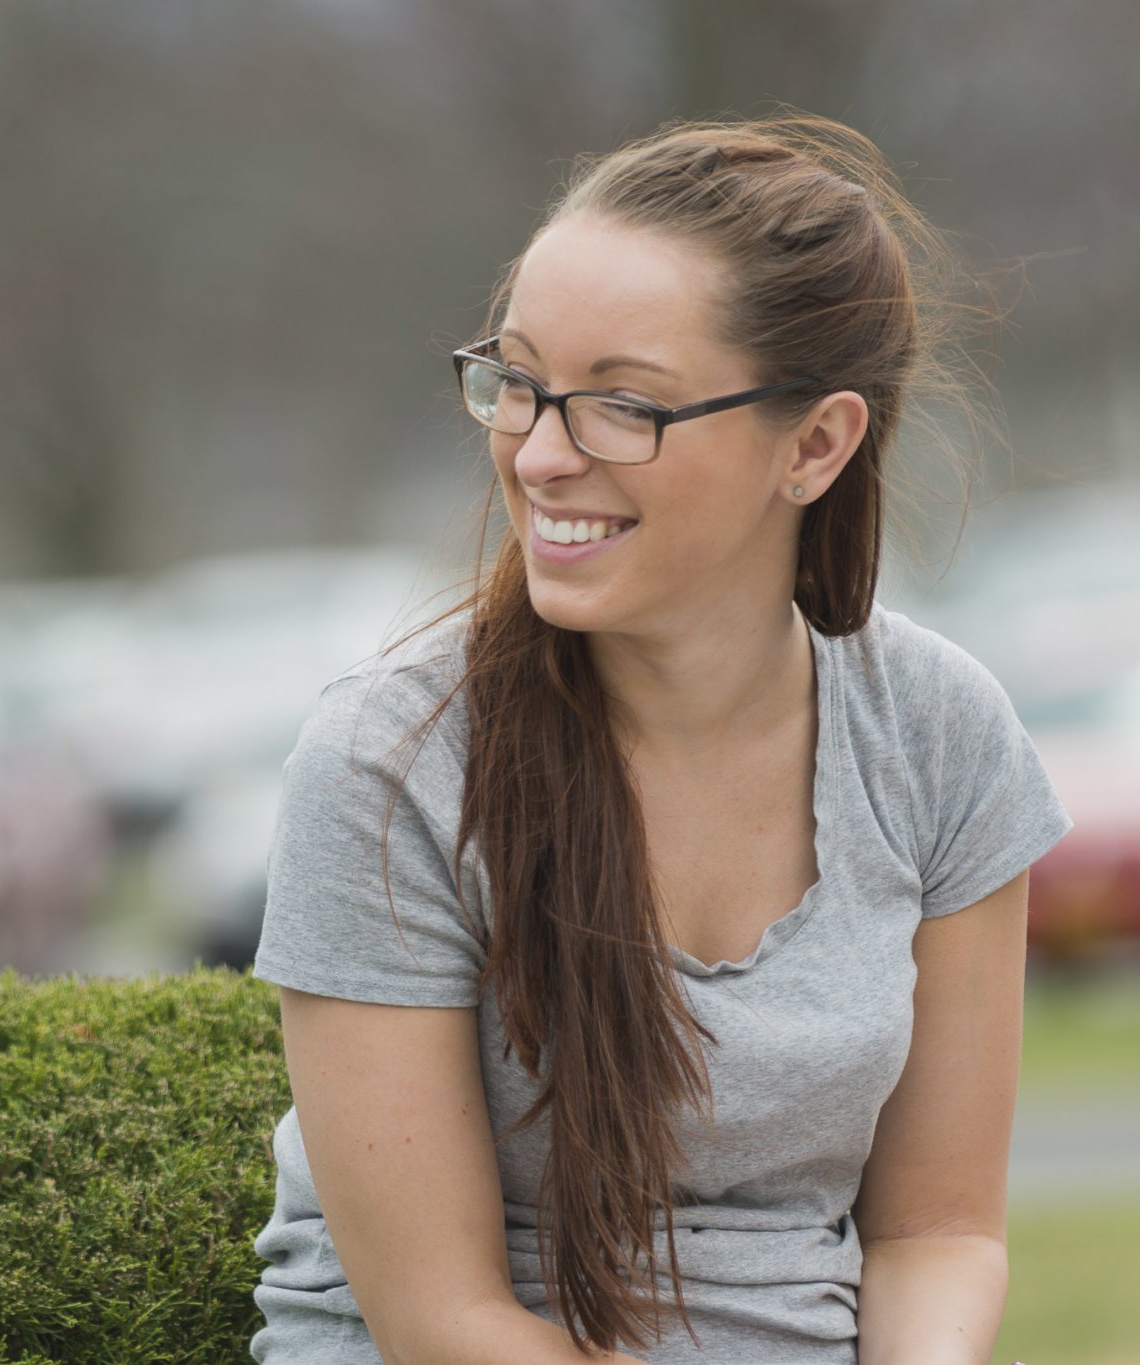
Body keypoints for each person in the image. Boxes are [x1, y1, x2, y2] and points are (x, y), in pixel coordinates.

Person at [249, 116, 1067, 1364]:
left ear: (816, 445)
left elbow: (938, 1232)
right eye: (517, 382)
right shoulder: (391, 762)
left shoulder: (942, 739)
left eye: (624, 406)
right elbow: (440, 1323)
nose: (539, 453)